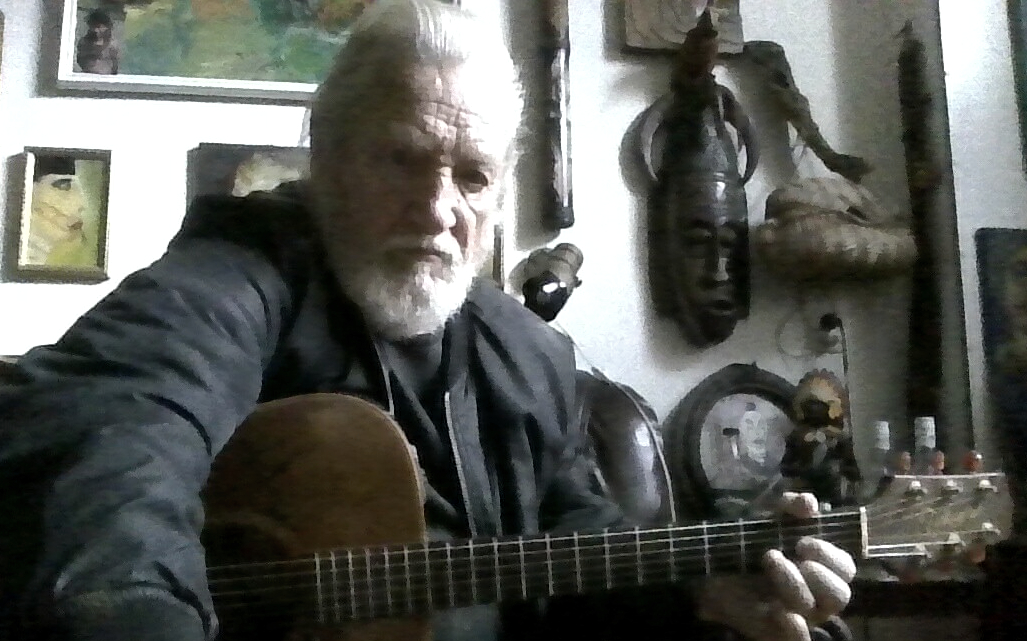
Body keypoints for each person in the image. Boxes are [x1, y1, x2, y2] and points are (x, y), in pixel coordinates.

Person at [0, 1, 854, 640]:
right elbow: (116, 433)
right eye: (402, 158)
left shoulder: (532, 356)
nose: (438, 207)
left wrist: (700, 591)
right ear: (328, 156)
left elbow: (574, 547)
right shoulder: (242, 272)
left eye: (472, 175)